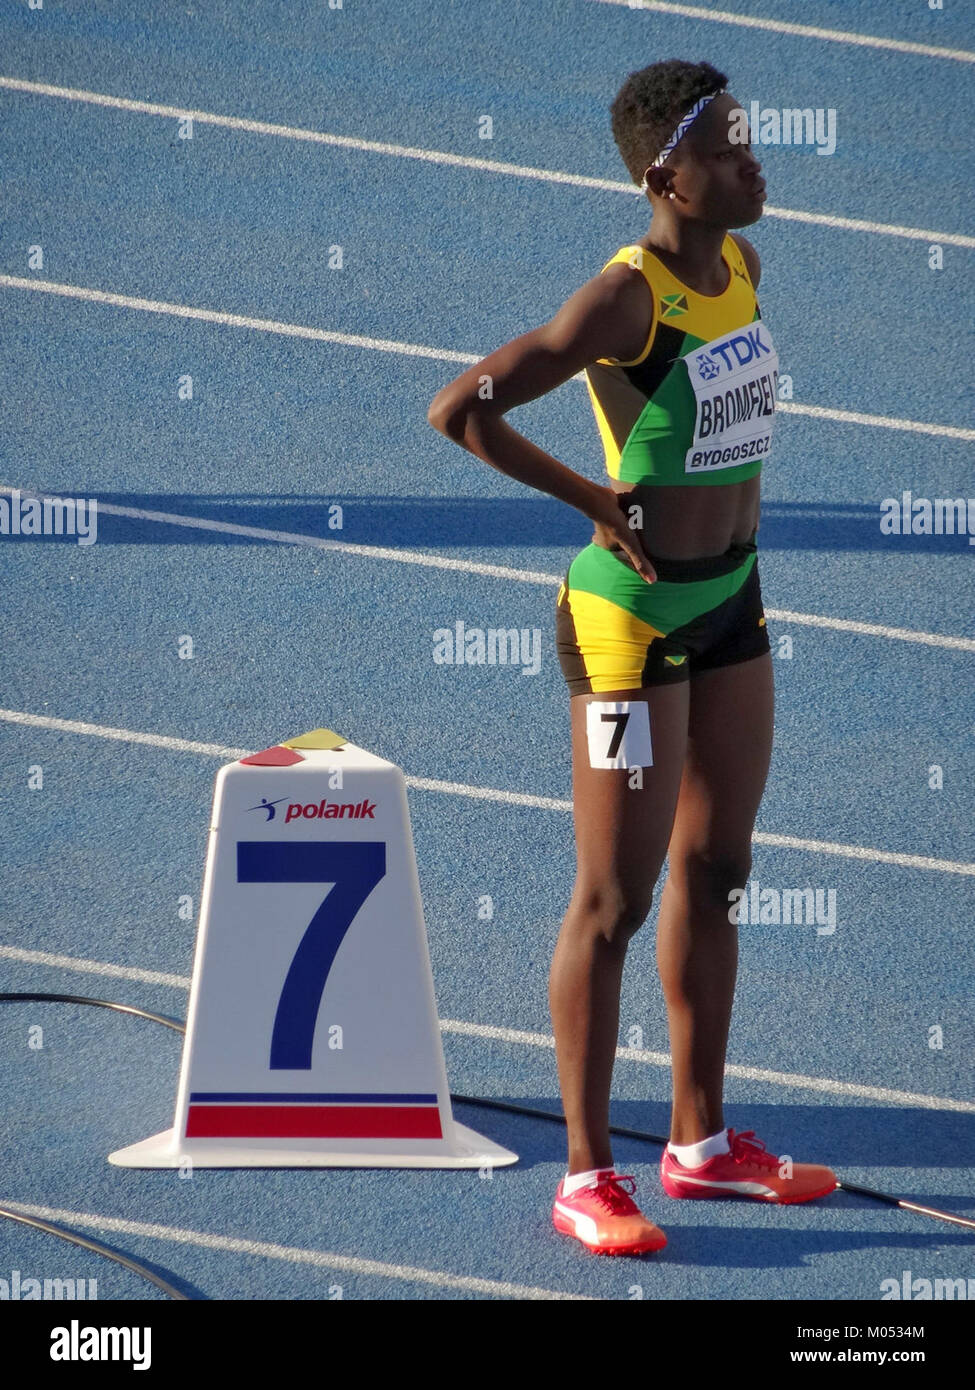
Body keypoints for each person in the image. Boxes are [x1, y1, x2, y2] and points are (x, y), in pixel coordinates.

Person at [428, 59, 836, 1257]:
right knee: (612, 899)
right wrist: (594, 501)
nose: (757, 162)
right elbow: (463, 408)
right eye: (732, 146)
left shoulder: (745, 269)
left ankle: (700, 1145)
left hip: (732, 604)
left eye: (755, 139)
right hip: (630, 626)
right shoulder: (626, 299)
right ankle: (587, 1175)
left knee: (719, 870)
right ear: (667, 175)